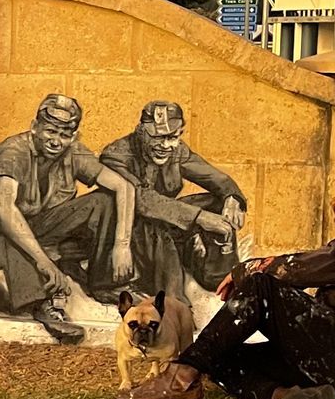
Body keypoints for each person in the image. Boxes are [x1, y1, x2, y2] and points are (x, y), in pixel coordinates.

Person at [118, 156, 335, 399]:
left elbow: (308, 267)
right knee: (218, 354)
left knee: (261, 286)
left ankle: (178, 379)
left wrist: (247, 270)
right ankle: (288, 398)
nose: (333, 200)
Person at [0, 94, 136, 343]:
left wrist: (122, 245)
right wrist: (44, 262)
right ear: (35, 127)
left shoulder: (72, 152)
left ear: (73, 136)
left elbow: (123, 187)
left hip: (39, 229)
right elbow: (3, 210)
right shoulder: (13, 152)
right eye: (50, 131)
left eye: (64, 135)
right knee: (7, 222)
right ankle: (43, 304)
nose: (56, 141)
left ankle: (102, 283)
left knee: (103, 200)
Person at [98, 100, 248, 299]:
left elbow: (212, 177)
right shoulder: (116, 155)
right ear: (141, 131)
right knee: (159, 227)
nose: (166, 145)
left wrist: (232, 197)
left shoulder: (176, 151)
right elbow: (144, 201)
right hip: (133, 232)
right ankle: (175, 302)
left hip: (167, 219)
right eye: (157, 137)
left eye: (173, 137)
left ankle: (218, 276)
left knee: (219, 204)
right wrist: (200, 217)